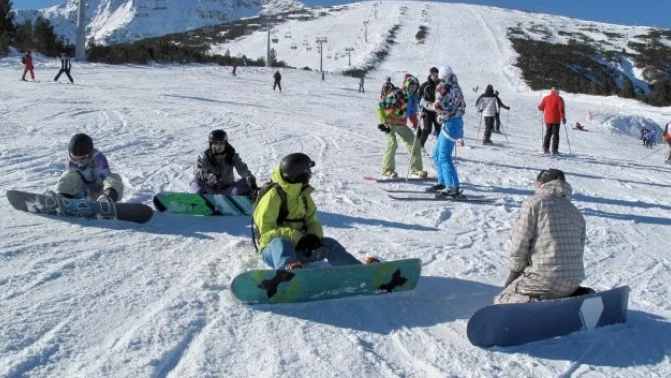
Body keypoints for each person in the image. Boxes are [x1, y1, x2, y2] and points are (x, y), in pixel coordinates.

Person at [253, 153, 374, 270]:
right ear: (298, 176)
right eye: (307, 172)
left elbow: (312, 220)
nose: (309, 175)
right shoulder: (274, 196)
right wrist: (296, 237)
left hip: (300, 248)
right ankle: (287, 277)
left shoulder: (303, 194)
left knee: (330, 244)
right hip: (273, 251)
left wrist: (313, 236)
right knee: (280, 243)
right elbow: (266, 232)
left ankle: (357, 269)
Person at [495, 169, 586, 304]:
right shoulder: (576, 213)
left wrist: (514, 272)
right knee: (555, 290)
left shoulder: (534, 203)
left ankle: (532, 304)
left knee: (502, 299)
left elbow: (520, 241)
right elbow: (580, 248)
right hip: (573, 281)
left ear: (540, 184)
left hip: (544, 278)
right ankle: (573, 299)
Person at [425, 65, 466, 197]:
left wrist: (425, 104)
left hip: (451, 124)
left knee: (443, 155)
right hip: (452, 123)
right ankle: (443, 182)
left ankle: (452, 186)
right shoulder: (456, 87)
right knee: (436, 153)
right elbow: (461, 105)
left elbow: (437, 105)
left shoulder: (444, 87)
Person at [376, 79, 427, 179]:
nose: (412, 89)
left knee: (414, 142)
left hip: (401, 124)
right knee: (392, 143)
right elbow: (380, 107)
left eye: (414, 87)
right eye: (411, 86)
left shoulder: (413, 98)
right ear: (406, 86)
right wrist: (384, 122)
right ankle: (387, 170)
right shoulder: (397, 94)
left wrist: (416, 125)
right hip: (389, 123)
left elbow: (412, 113)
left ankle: (416, 169)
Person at [53, 133, 124, 202]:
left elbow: (104, 178)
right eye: (74, 157)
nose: (77, 161)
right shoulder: (71, 161)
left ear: (88, 155)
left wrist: (107, 192)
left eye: (80, 158)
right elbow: (70, 180)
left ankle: (107, 199)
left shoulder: (97, 158)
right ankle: (61, 197)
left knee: (113, 178)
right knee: (69, 175)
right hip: (80, 192)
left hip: (99, 192)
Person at [190, 129, 257, 196]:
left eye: (221, 143)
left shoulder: (232, 155)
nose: (218, 146)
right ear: (211, 144)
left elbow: (243, 170)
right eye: (215, 143)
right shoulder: (205, 156)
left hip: (228, 191)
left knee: (246, 183)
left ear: (225, 144)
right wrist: (206, 175)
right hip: (210, 191)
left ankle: (243, 205)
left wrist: (250, 179)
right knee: (196, 183)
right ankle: (199, 204)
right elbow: (196, 171)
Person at [538, 87, 566, 154]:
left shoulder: (546, 98)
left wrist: (541, 108)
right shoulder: (559, 98)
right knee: (556, 135)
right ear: (557, 91)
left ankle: (545, 148)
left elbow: (540, 107)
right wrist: (563, 118)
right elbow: (561, 109)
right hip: (556, 120)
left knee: (548, 134)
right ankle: (554, 150)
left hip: (547, 119)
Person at [418, 67, 441, 148]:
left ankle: (440, 147)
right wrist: (422, 105)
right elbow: (419, 97)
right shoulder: (425, 85)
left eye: (437, 74)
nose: (435, 76)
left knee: (439, 129)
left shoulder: (441, 85)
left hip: (437, 110)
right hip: (427, 110)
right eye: (433, 75)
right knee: (427, 129)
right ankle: (420, 146)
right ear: (430, 75)